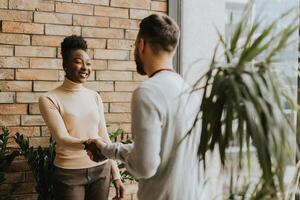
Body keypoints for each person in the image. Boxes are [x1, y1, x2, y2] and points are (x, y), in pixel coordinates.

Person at [86, 14, 207, 200]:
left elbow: (145, 166)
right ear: (172, 49)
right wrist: (105, 149)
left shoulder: (147, 92)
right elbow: (155, 151)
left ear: (141, 44)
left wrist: (109, 151)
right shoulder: (190, 92)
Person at [39, 35, 124, 200]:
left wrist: (117, 176)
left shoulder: (94, 96)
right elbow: (62, 138)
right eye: (78, 62)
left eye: (88, 63)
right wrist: (89, 144)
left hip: (101, 170)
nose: (85, 67)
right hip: (69, 173)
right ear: (65, 65)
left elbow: (104, 136)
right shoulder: (49, 98)